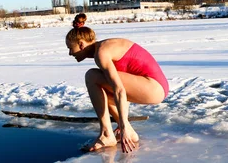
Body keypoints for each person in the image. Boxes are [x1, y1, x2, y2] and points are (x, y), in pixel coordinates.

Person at [65, 25, 169, 153]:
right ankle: (128, 132)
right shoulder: (104, 47)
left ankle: (107, 134)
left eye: (70, 48)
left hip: (154, 87)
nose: (70, 53)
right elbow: (125, 84)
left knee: (92, 76)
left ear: (81, 44)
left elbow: (120, 90)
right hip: (154, 87)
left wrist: (123, 126)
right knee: (102, 88)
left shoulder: (101, 54)